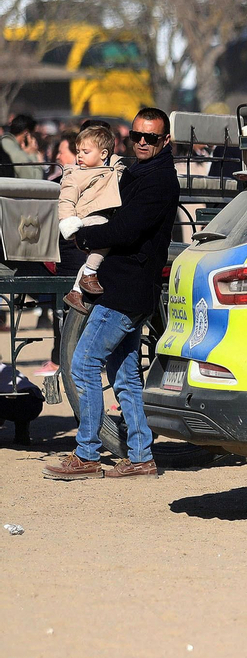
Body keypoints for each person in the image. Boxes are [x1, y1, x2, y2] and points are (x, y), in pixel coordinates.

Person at [43, 108, 179, 481]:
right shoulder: (139, 171)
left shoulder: (158, 181)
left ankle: (86, 453)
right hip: (132, 288)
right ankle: (140, 456)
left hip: (124, 289)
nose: (142, 143)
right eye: (137, 136)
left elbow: (126, 229)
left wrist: (82, 235)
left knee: (83, 365)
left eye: (150, 138)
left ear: (165, 140)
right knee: (125, 376)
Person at [57, 124, 124, 313]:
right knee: (106, 236)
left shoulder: (113, 169)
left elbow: (119, 171)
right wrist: (68, 221)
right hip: (89, 217)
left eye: (85, 151)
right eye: (78, 151)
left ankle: (76, 291)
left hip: (102, 216)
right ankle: (88, 275)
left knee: (92, 259)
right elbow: (66, 199)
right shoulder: (76, 174)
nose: (79, 156)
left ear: (103, 154)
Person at [1, 113, 44, 179]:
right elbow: (36, 181)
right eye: (33, 134)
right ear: (26, 133)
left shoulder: (5, 144)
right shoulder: (18, 154)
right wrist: (33, 155)